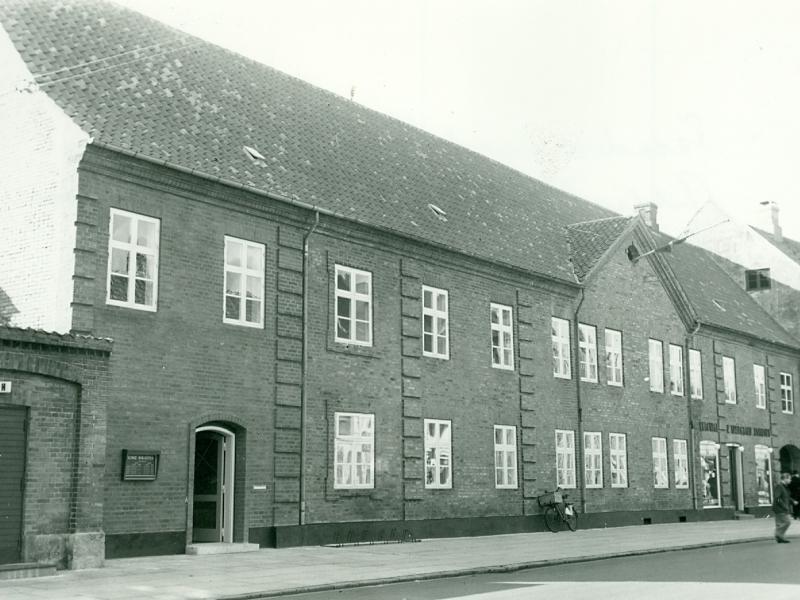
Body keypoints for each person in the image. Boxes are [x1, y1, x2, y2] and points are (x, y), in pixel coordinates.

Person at [773, 471, 796, 543]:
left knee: (780, 523)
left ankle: (780, 538)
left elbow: (786, 496)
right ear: (785, 479)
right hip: (780, 509)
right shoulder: (779, 486)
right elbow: (778, 498)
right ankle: (778, 534)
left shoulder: (784, 487)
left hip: (781, 508)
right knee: (787, 522)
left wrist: (793, 501)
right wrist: (784, 506)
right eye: (789, 479)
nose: (790, 480)